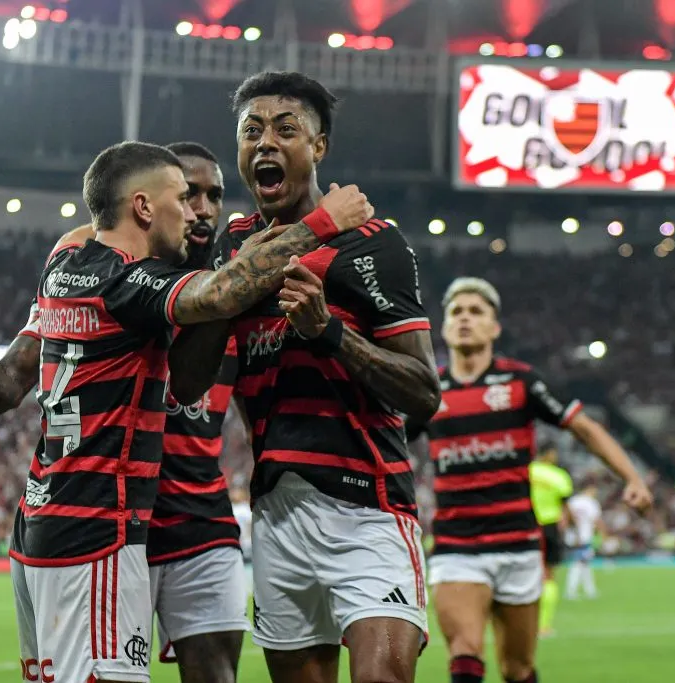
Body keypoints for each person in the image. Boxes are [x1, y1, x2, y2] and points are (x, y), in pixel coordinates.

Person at [0, 140, 374, 683]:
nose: (196, 211)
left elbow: (9, 380)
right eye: (183, 196)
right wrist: (321, 223)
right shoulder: (134, 281)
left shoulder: (66, 262)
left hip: (57, 521)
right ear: (143, 206)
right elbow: (220, 292)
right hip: (99, 528)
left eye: (211, 197)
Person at [173, 71, 441, 683]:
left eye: (285, 129)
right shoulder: (235, 246)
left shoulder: (372, 243)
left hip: (368, 507)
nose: (265, 142)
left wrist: (329, 331)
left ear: (318, 147)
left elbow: (424, 392)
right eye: (251, 131)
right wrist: (231, 291)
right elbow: (186, 384)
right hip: (276, 514)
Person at [417, 276, 653, 683]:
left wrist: (632, 476)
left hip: (518, 543)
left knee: (517, 668)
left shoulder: (521, 382)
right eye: (456, 312)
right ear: (445, 326)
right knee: (465, 654)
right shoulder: (428, 390)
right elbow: (384, 441)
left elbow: (584, 428)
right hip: (456, 545)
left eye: (476, 311)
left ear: (495, 327)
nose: (465, 318)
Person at [528, 447, 574, 638]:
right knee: (548, 575)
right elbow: (566, 507)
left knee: (523, 575)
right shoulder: (558, 475)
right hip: (549, 526)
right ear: (550, 454)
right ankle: (544, 625)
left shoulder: (527, 471)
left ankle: (523, 624)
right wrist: (571, 525)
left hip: (526, 525)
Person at [565, 481, 604, 600]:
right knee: (579, 563)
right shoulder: (591, 503)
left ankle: (590, 590)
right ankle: (571, 591)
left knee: (585, 563)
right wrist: (602, 535)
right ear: (589, 489)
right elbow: (596, 521)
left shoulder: (573, 501)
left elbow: (566, 517)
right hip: (584, 536)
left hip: (573, 536)